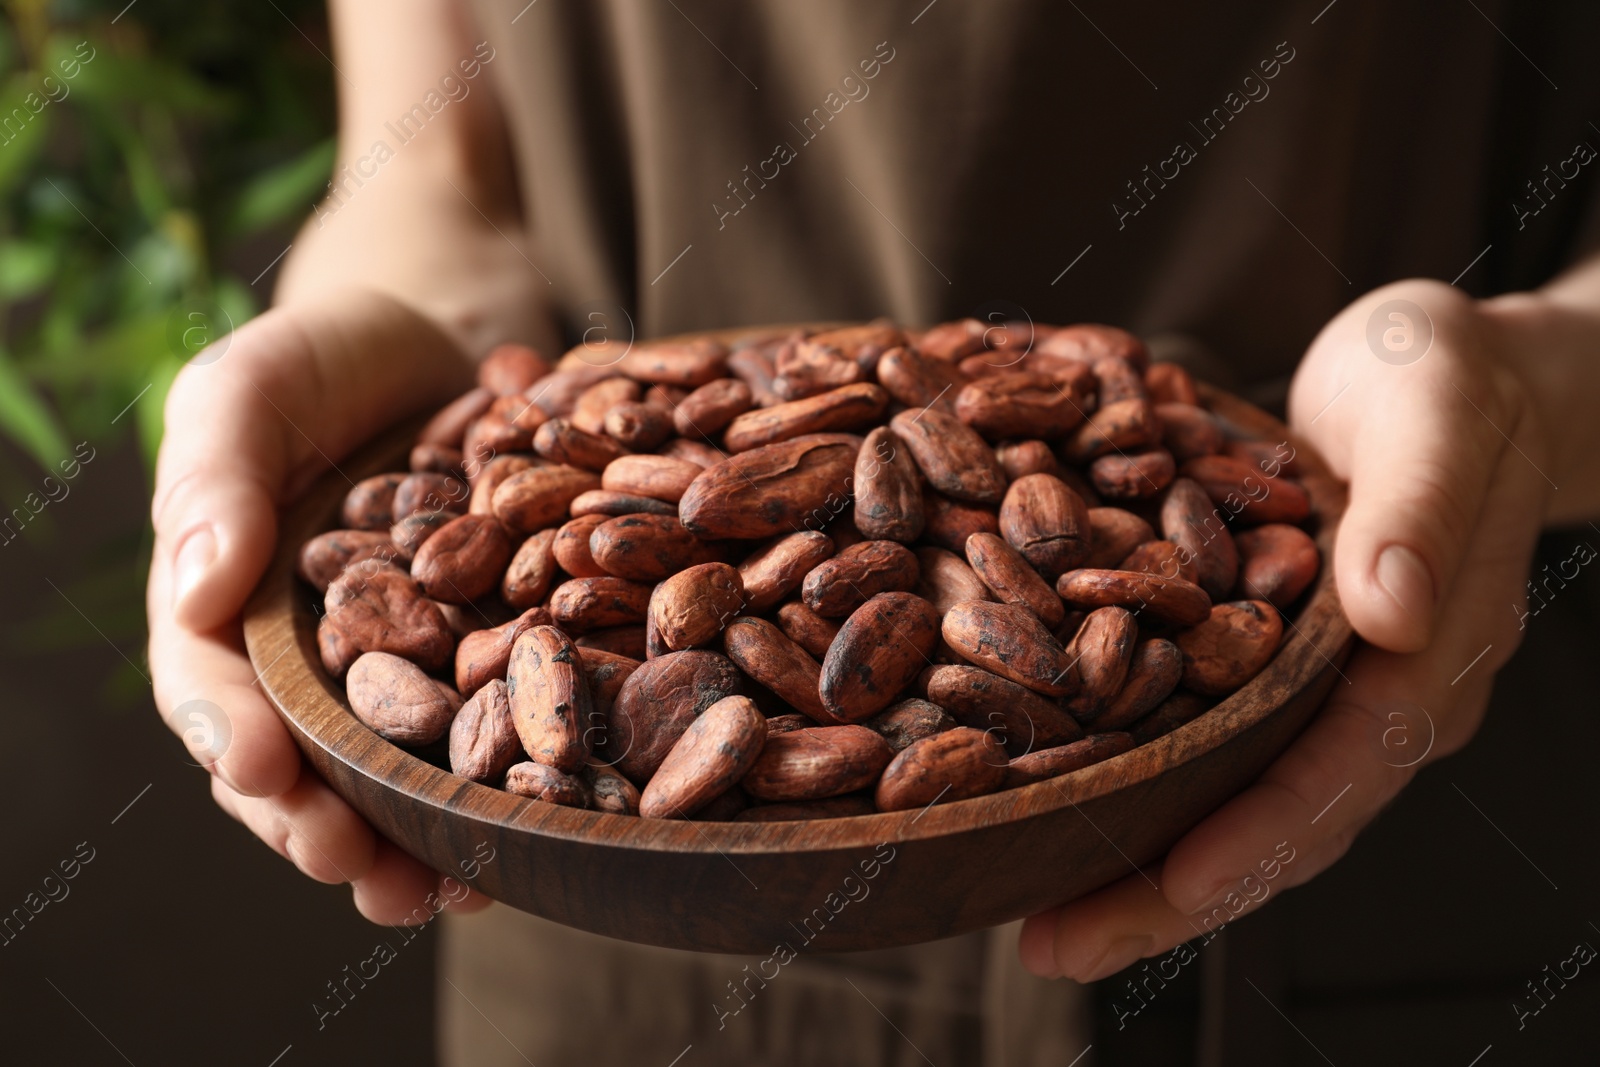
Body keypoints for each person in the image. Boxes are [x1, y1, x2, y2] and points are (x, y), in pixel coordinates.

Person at [147, 1, 1600, 1062]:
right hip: (624, 932)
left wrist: (1530, 380)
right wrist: (421, 293)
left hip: (1400, 836)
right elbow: (434, 164)